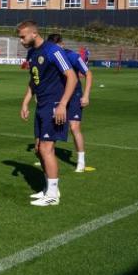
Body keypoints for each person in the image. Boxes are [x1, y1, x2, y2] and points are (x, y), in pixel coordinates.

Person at [18, 20, 77, 207]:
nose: (21, 41)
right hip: (41, 105)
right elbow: (34, 80)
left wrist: (63, 104)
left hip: (54, 105)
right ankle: (48, 189)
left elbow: (72, 77)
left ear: (34, 34)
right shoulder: (32, 53)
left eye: (23, 36)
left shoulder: (53, 51)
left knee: (46, 148)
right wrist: (25, 102)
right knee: (38, 150)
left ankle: (52, 195)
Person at [47, 34, 92, 173]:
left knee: (74, 127)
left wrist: (86, 95)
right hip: (57, 96)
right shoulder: (49, 56)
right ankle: (48, 156)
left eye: (56, 46)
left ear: (62, 44)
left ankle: (81, 161)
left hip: (74, 96)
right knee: (53, 126)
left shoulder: (72, 56)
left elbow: (88, 74)